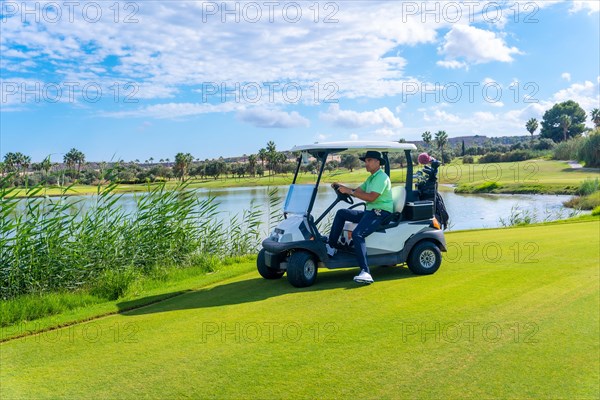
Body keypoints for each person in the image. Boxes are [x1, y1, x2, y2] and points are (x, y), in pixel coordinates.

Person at [327, 150, 393, 284]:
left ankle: (365, 271)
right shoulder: (371, 178)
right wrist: (342, 188)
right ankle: (332, 246)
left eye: (369, 161)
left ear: (377, 162)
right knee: (341, 213)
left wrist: (350, 191)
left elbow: (371, 197)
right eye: (366, 161)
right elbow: (358, 191)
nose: (366, 163)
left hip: (381, 212)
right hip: (371, 211)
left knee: (358, 234)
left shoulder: (381, 178)